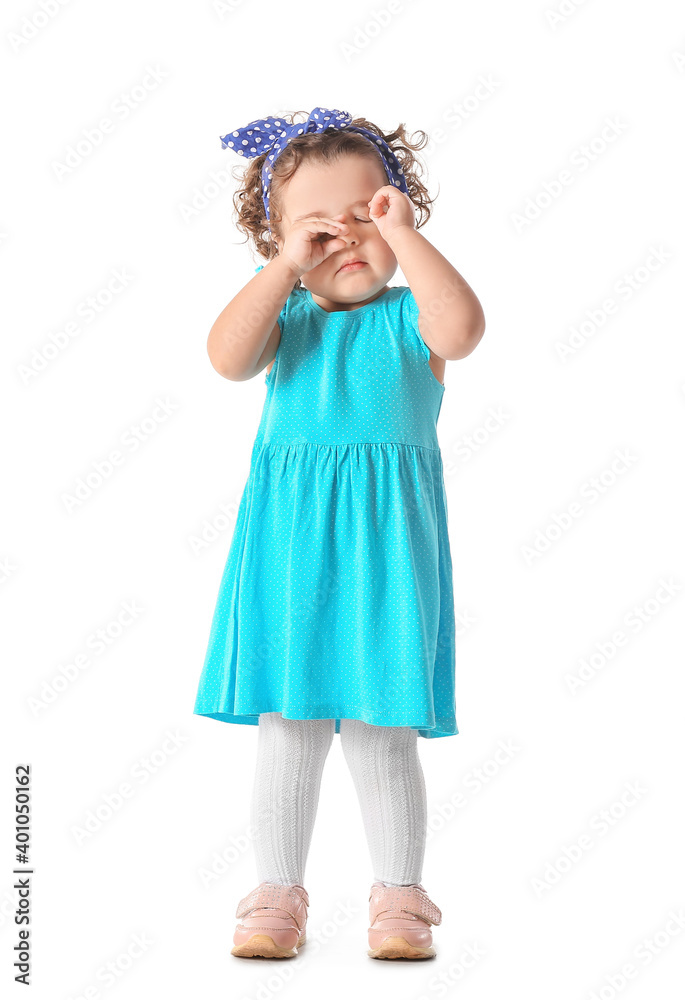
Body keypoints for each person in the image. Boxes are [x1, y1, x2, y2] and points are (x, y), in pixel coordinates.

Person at [193, 107, 486, 960]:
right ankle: (275, 896)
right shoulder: (284, 323)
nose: (346, 238)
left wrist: (409, 239)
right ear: (277, 241)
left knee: (382, 728)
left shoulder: (408, 322)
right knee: (289, 724)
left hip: (387, 556)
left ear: (401, 213)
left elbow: (462, 331)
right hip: (289, 552)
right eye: (318, 227)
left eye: (370, 214)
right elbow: (224, 357)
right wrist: (285, 269)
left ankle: (400, 899)